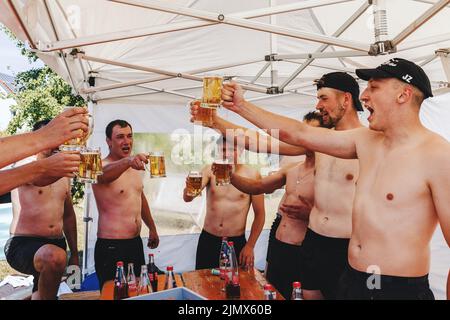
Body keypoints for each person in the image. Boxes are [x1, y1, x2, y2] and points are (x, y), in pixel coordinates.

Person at [221, 58, 450, 300]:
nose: (363, 96)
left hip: (398, 289)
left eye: (374, 87)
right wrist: (241, 106)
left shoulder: (438, 156)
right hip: (351, 278)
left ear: (403, 95)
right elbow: (299, 133)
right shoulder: (364, 140)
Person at [192, 72, 363, 300]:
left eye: (324, 98)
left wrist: (241, 105)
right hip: (313, 242)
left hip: (346, 246)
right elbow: (259, 141)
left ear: (346, 99)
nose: (318, 105)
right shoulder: (322, 140)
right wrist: (213, 121)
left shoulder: (367, 140)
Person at [230, 111, 323, 299]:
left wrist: (311, 213)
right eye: (302, 131)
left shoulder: (328, 172)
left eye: (311, 132)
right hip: (279, 242)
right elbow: (257, 187)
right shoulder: (292, 168)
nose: (304, 137)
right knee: (272, 290)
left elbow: (345, 213)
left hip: (305, 248)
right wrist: (229, 176)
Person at [5, 119, 79, 300]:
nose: (56, 143)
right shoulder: (25, 165)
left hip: (57, 243)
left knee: (42, 294)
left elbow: (68, 215)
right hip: (24, 243)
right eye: (51, 138)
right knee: (53, 258)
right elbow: (39, 177)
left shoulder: (64, 173)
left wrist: (75, 253)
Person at [92, 120, 159, 289]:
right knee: (113, 294)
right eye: (120, 137)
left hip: (135, 243)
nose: (126, 141)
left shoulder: (133, 167)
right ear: (108, 141)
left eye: (129, 136)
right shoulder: (98, 166)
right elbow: (102, 176)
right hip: (111, 246)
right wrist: (128, 161)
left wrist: (152, 228)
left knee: (139, 293)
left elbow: (139, 198)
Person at [183, 137, 265, 270]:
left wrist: (250, 246)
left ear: (242, 150)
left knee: (235, 286)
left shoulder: (252, 175)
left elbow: (260, 215)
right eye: (224, 149)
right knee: (203, 286)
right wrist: (188, 189)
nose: (228, 153)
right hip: (209, 240)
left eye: (233, 149)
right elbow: (188, 198)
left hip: (235, 242)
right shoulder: (210, 170)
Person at [0, 107, 87, 195]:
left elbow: (66, 202)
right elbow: (35, 180)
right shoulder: (25, 162)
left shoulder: (60, 173)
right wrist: (44, 137)